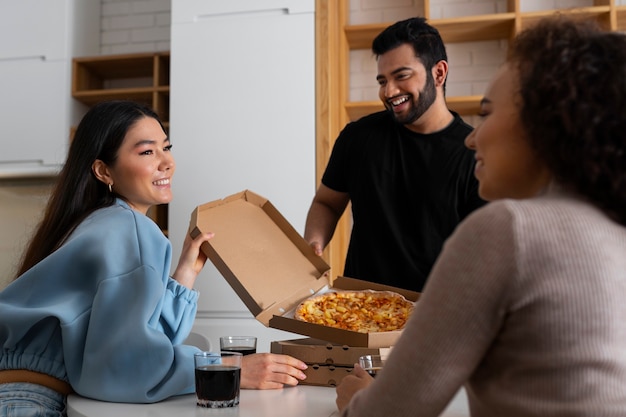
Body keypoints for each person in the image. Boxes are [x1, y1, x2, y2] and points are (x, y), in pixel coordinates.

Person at [335, 16, 626, 416]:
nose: (472, 136)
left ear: (542, 129)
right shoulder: (612, 225)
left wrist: (354, 399)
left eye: (487, 115)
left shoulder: (509, 229)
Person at [0, 100, 307, 415]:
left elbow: (139, 337)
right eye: (147, 152)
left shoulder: (98, 222)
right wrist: (229, 367)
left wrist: (185, 273)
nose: (167, 162)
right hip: (29, 404)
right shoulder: (128, 228)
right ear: (104, 170)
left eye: (166, 147)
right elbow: (125, 366)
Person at [304, 17, 485, 293]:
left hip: (432, 318)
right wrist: (313, 243)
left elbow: (482, 257)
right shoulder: (357, 137)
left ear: (439, 73)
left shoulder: (474, 154)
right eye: (382, 80)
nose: (389, 92)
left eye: (401, 76)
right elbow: (327, 202)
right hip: (357, 314)